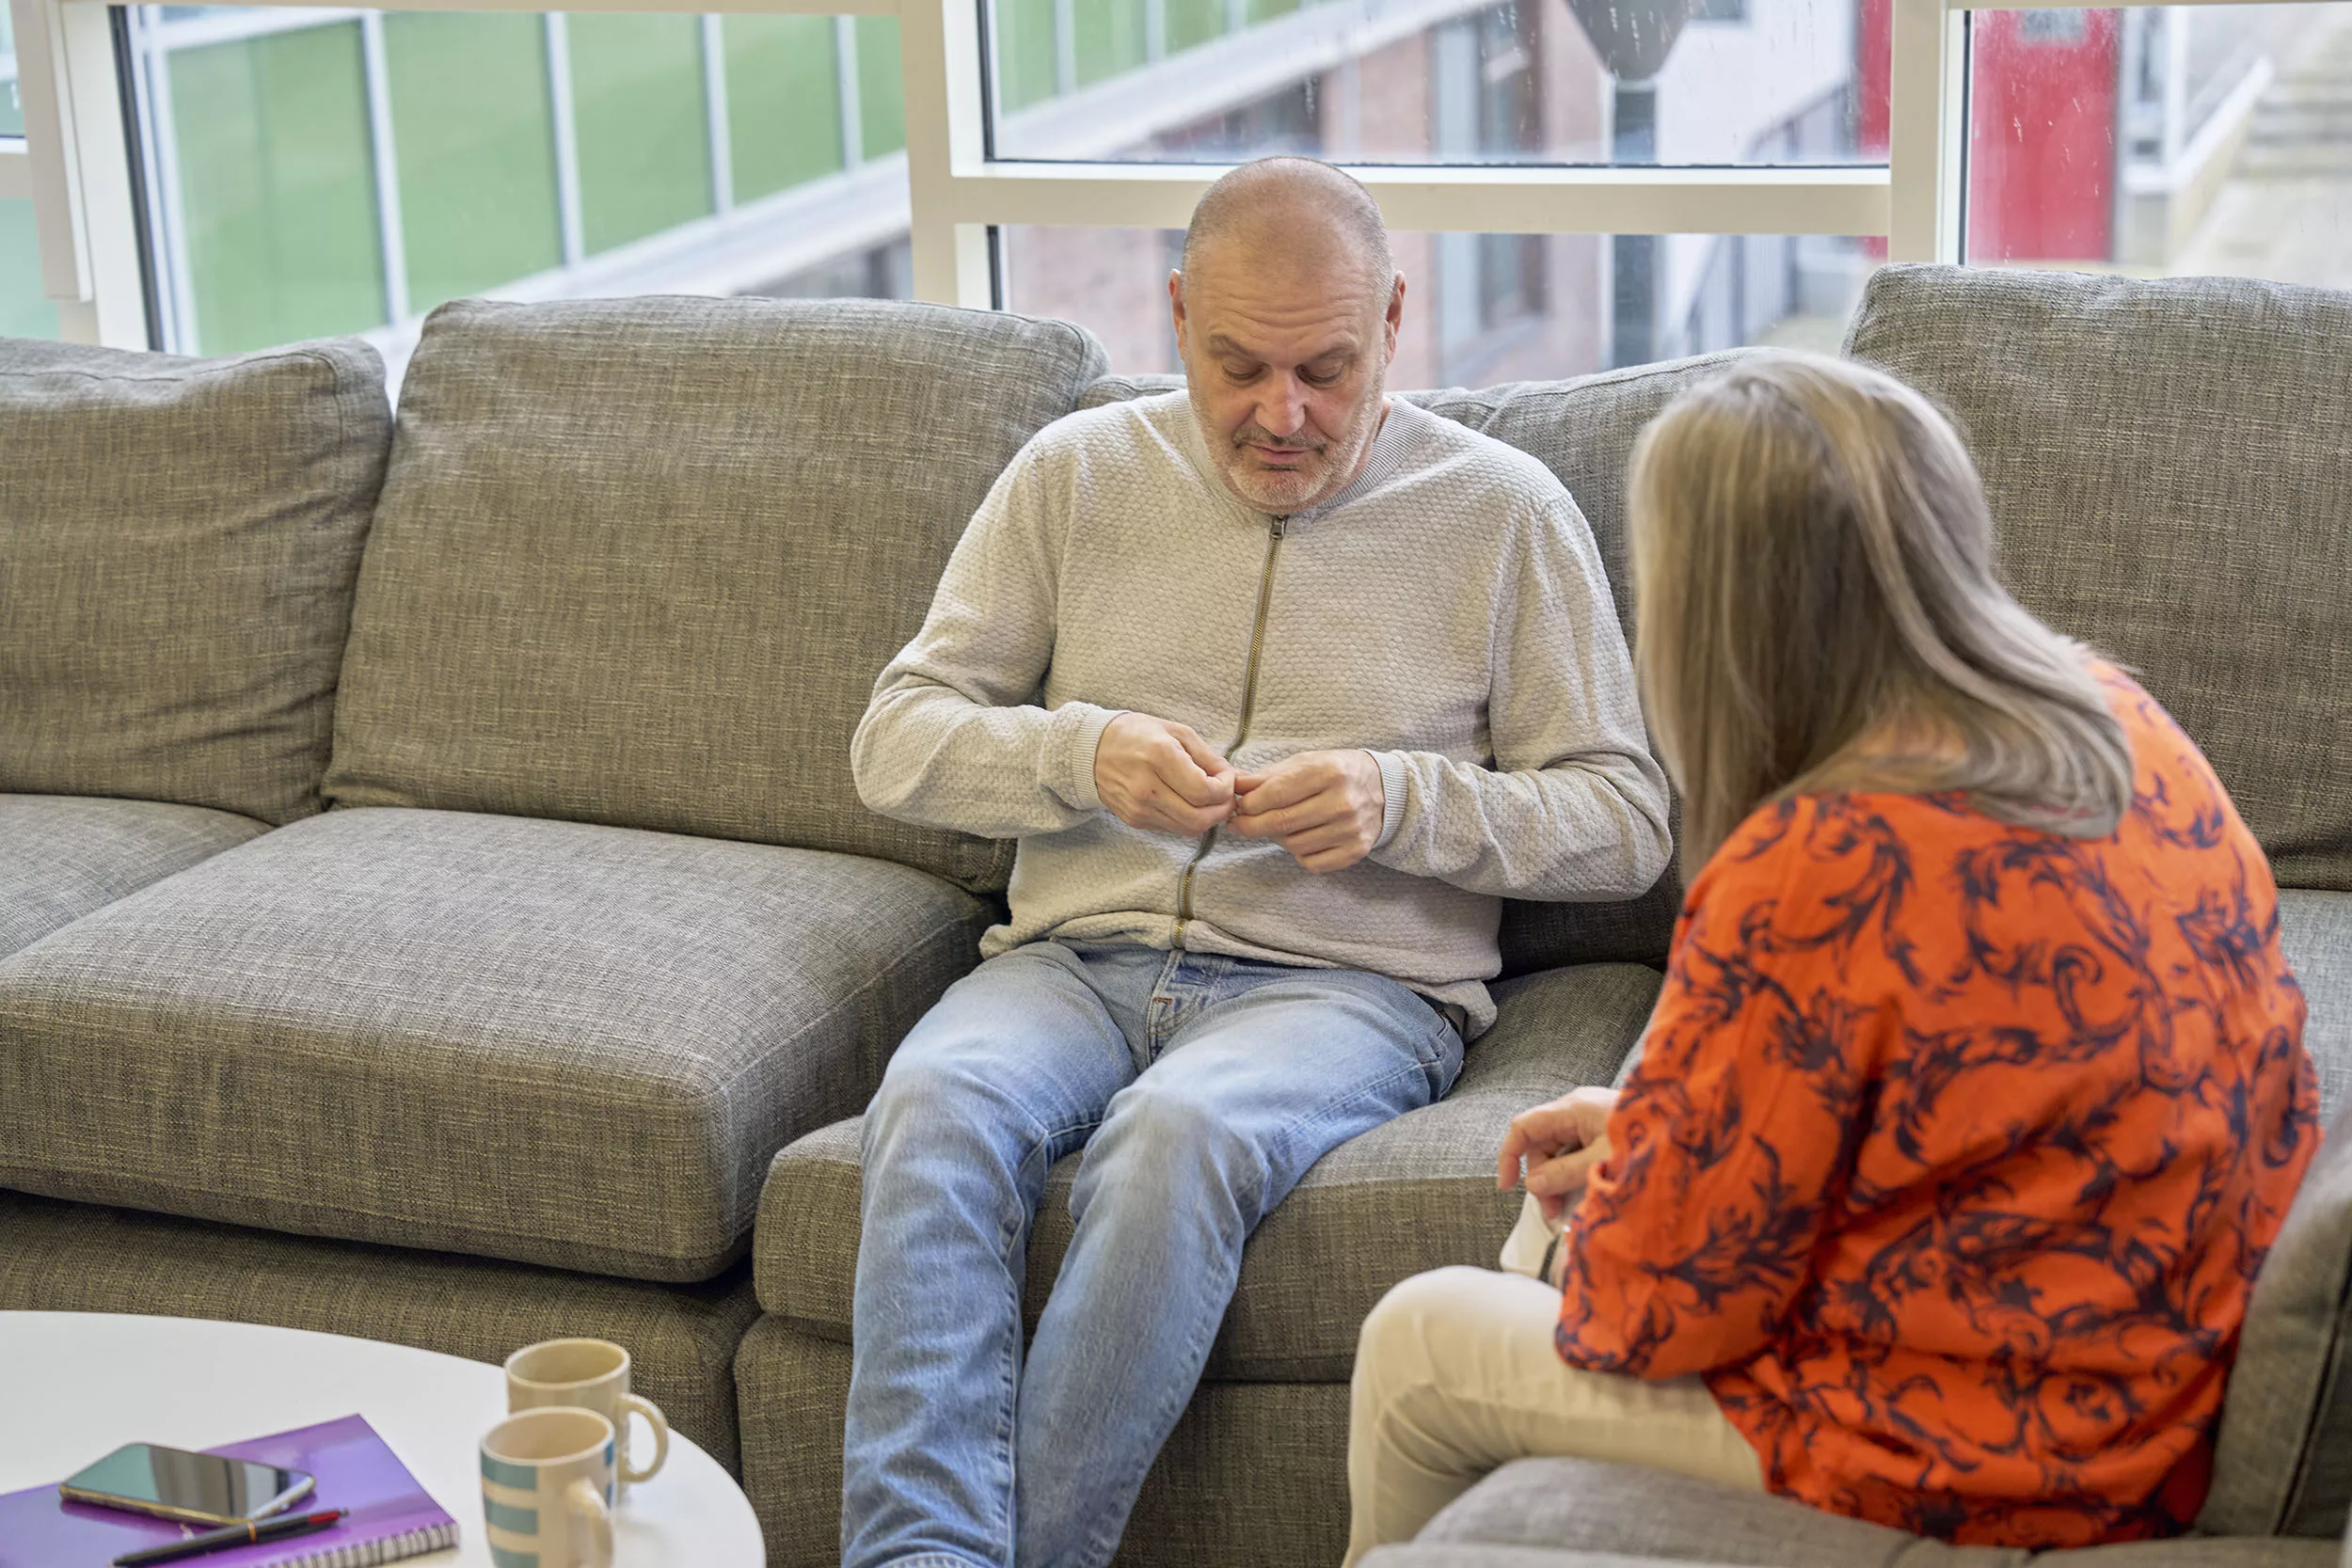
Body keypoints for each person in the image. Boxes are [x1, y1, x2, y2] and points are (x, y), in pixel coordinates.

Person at [1344, 351, 2318, 1560]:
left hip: (2004, 1446)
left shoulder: (1815, 861)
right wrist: (1673, 1127)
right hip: (2149, 1371)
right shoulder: (2119, 717)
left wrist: (1650, 1181)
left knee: (1419, 1338)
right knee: (1567, 1217)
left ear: (1718, 609)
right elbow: (1961, 1095)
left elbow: (1661, 1313)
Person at [843, 156, 1672, 1568]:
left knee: (1179, 1138)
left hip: (1346, 992)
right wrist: (1081, 753)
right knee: (931, 1100)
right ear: (1174, 313)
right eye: (1238, 364)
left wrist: (1404, 801)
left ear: (1396, 321)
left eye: (1325, 370)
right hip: (1069, 962)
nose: (1281, 413)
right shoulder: (1075, 476)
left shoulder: (1504, 513)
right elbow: (895, 741)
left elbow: (1625, 817)